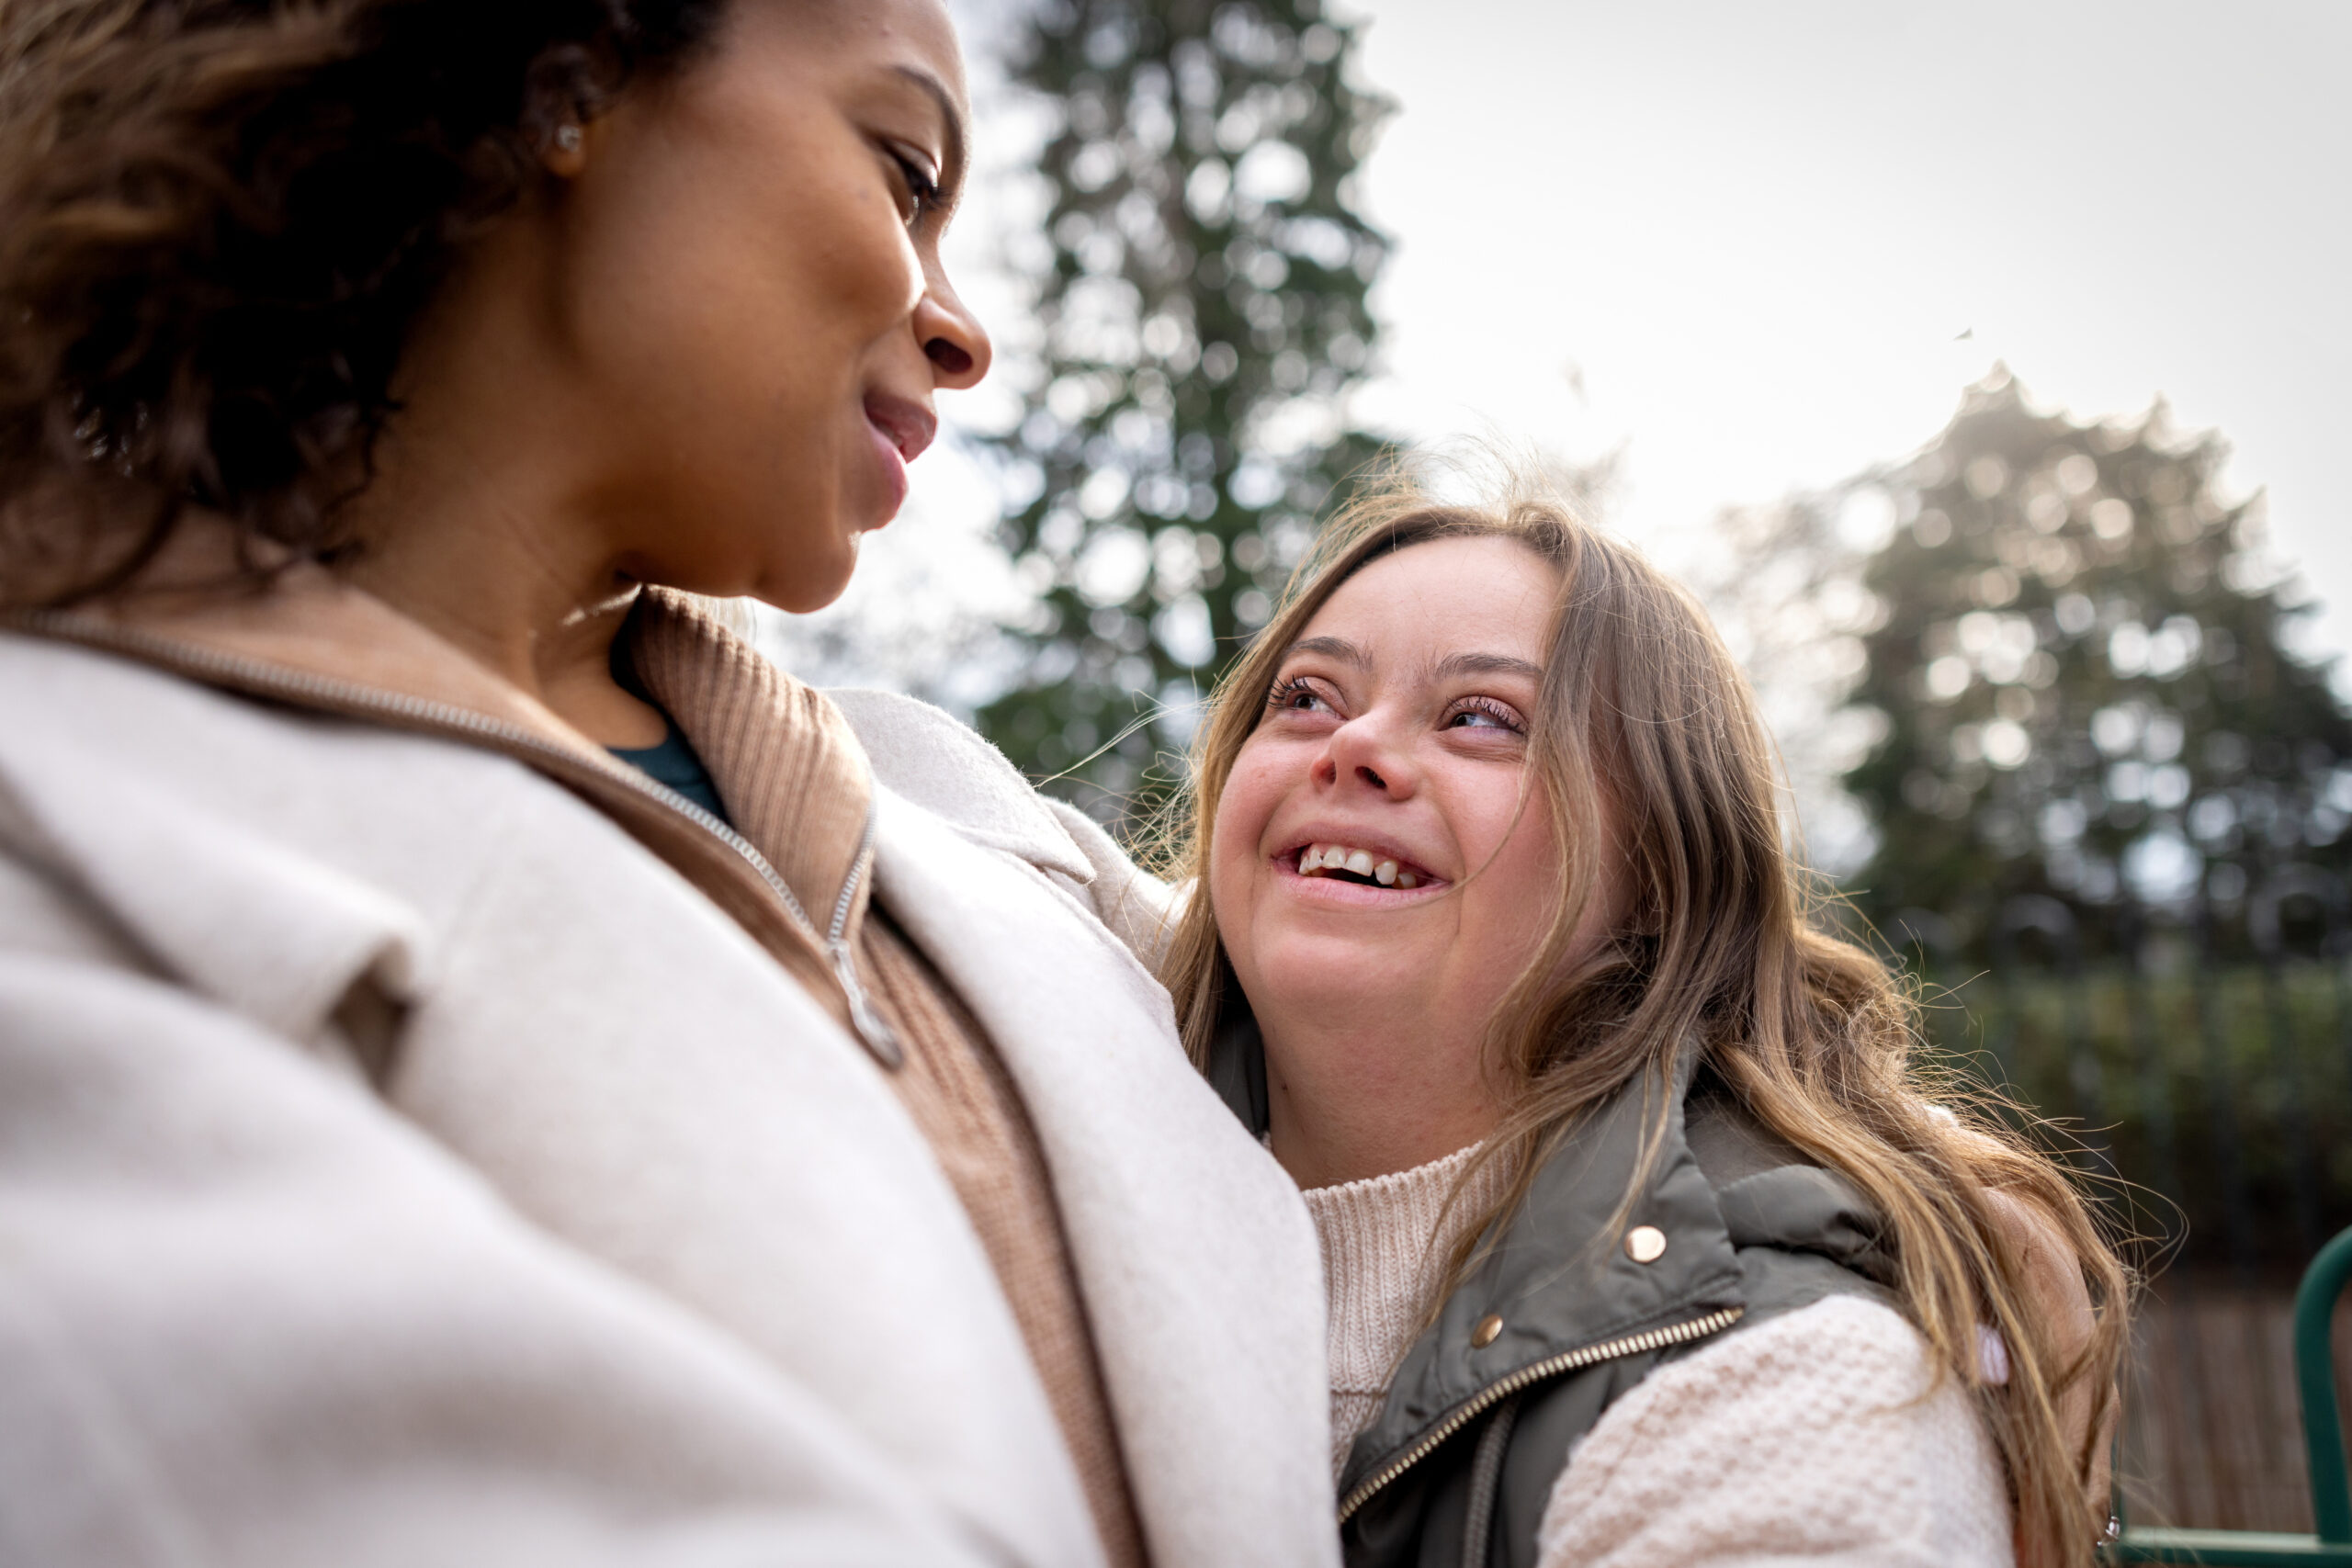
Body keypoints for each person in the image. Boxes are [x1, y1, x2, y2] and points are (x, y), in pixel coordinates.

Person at [0, 3, 1336, 1565]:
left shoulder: (964, 810)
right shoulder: (75, 825)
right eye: (907, 172)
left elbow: (1500, 1106)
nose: (966, 329)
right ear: (561, 78)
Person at [1148, 467, 2126, 1567]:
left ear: (1656, 872)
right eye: (1306, 697)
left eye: (1481, 718)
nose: (1353, 744)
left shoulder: (1788, 1396)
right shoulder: (1080, 1070)